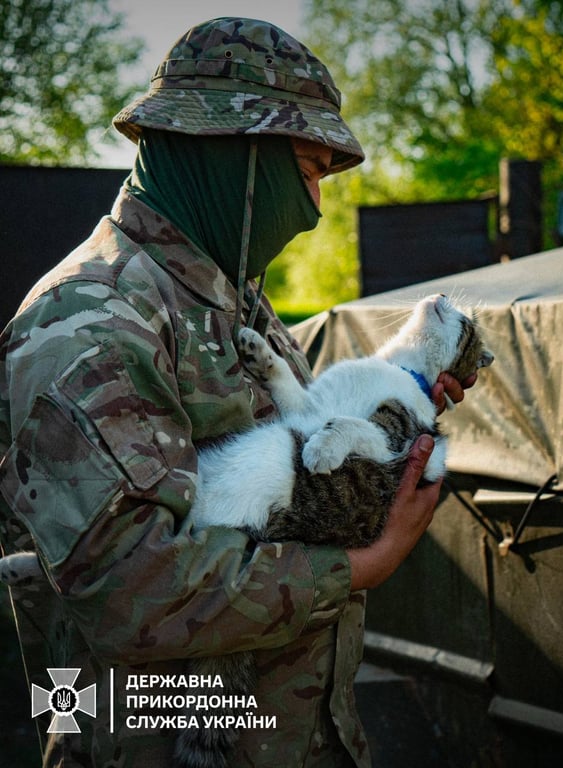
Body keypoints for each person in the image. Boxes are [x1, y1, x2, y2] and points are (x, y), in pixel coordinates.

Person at [0, 17, 474, 768]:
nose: (317, 207)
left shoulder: (223, 294)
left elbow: (296, 426)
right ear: (236, 151)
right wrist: (361, 567)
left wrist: (405, 389)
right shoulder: (89, 324)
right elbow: (132, 590)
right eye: (311, 171)